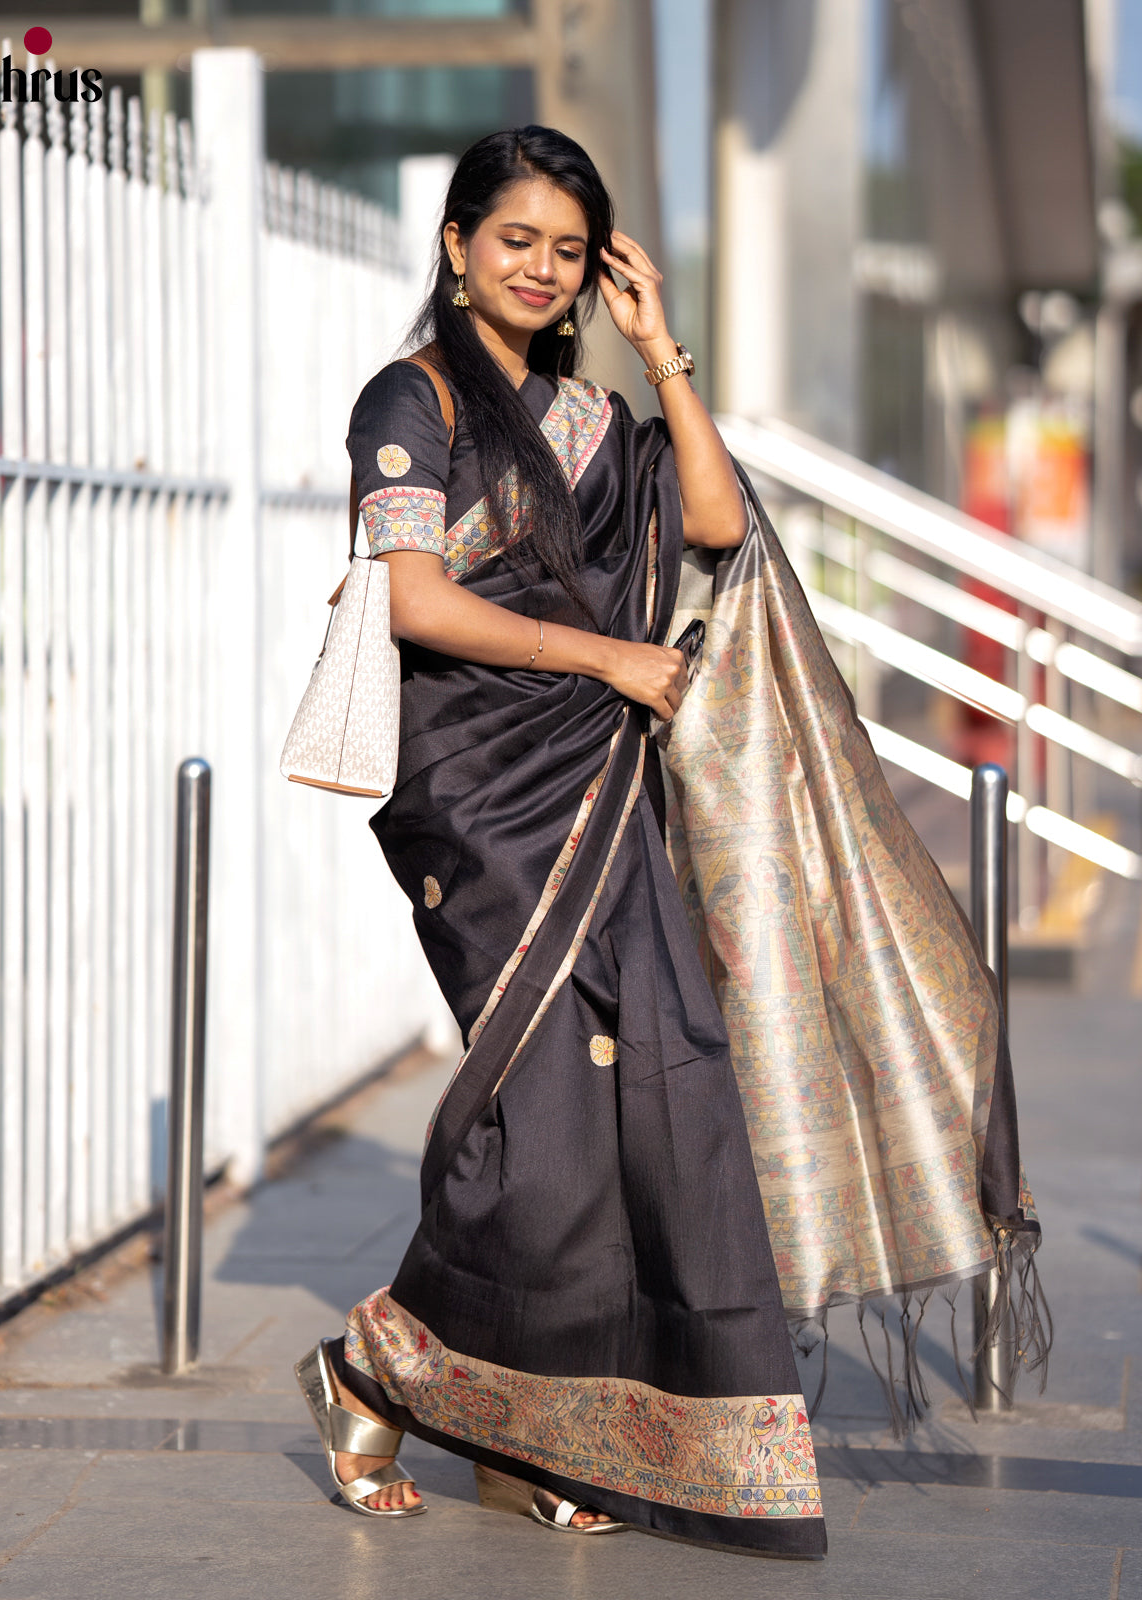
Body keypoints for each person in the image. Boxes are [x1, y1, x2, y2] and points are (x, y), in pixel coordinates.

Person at [294, 124, 826, 1557]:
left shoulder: (599, 419)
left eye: (571, 252)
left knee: (624, 1101)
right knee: (534, 1120)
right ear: (458, 243)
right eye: (515, 238)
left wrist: (665, 356)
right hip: (478, 788)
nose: (541, 268)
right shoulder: (409, 402)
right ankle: (369, 1378)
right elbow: (411, 598)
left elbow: (717, 524)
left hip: (600, 776)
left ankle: (512, 1415)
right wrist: (601, 664)